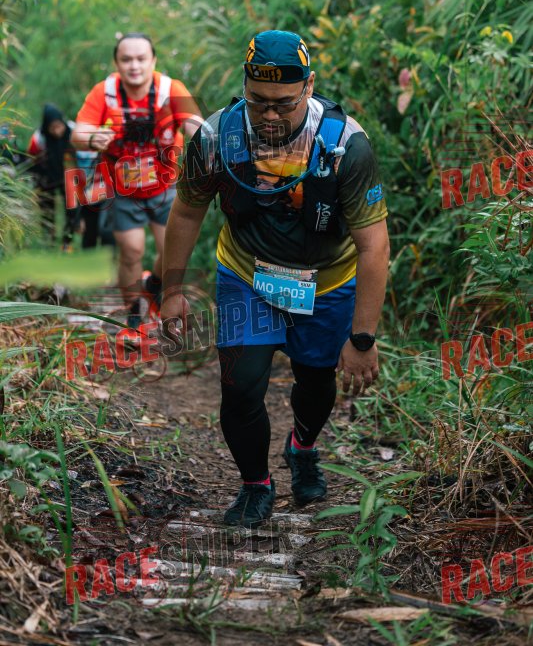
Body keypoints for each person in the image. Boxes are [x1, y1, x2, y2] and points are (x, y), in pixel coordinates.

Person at [160, 30, 390, 528]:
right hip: (248, 275)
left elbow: (374, 245)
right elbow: (186, 213)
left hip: (327, 284)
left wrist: (363, 337)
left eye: (283, 104)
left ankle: (302, 447)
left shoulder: (345, 145)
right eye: (257, 100)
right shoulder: (216, 137)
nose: (269, 115)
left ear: (309, 86)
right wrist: (171, 291)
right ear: (244, 86)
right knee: (241, 386)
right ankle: (255, 484)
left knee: (316, 384)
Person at [72, 33, 203, 328]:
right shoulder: (105, 92)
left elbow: (197, 127)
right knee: (131, 251)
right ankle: (134, 313)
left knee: (172, 251)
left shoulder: (171, 89)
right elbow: (78, 133)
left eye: (141, 59)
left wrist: (203, 141)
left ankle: (153, 284)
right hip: (124, 189)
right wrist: (92, 138)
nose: (134, 66)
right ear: (117, 63)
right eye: (126, 59)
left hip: (166, 185)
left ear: (153, 60)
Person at [28, 104, 78, 250]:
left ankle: (67, 242)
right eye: (52, 128)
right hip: (46, 179)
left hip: (69, 176)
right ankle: (49, 242)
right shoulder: (38, 139)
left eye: (59, 126)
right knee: (47, 211)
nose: (57, 131)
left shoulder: (74, 130)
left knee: (72, 210)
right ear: (46, 126)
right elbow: (32, 160)